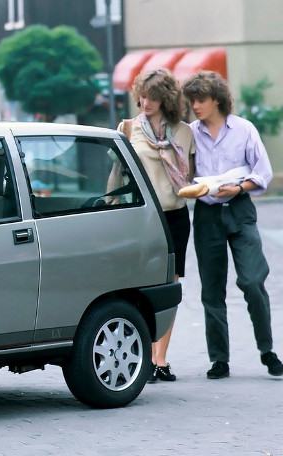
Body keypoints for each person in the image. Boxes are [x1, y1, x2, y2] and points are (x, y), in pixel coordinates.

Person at [182, 70, 283, 379]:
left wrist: (238, 188)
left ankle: (267, 351)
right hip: (206, 214)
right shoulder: (190, 133)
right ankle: (219, 359)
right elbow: (181, 174)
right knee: (211, 290)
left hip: (239, 209)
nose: (195, 106)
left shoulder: (244, 129)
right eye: (192, 101)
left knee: (253, 281)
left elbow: (262, 173)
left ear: (217, 99)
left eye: (201, 100)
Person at [118, 68, 196, 383]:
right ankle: (142, 354)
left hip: (175, 216)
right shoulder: (127, 128)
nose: (144, 102)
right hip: (141, 218)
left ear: (165, 99)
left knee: (169, 286)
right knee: (140, 285)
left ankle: (159, 358)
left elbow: (189, 178)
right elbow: (118, 174)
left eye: (151, 97)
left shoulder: (184, 132)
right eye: (141, 95)